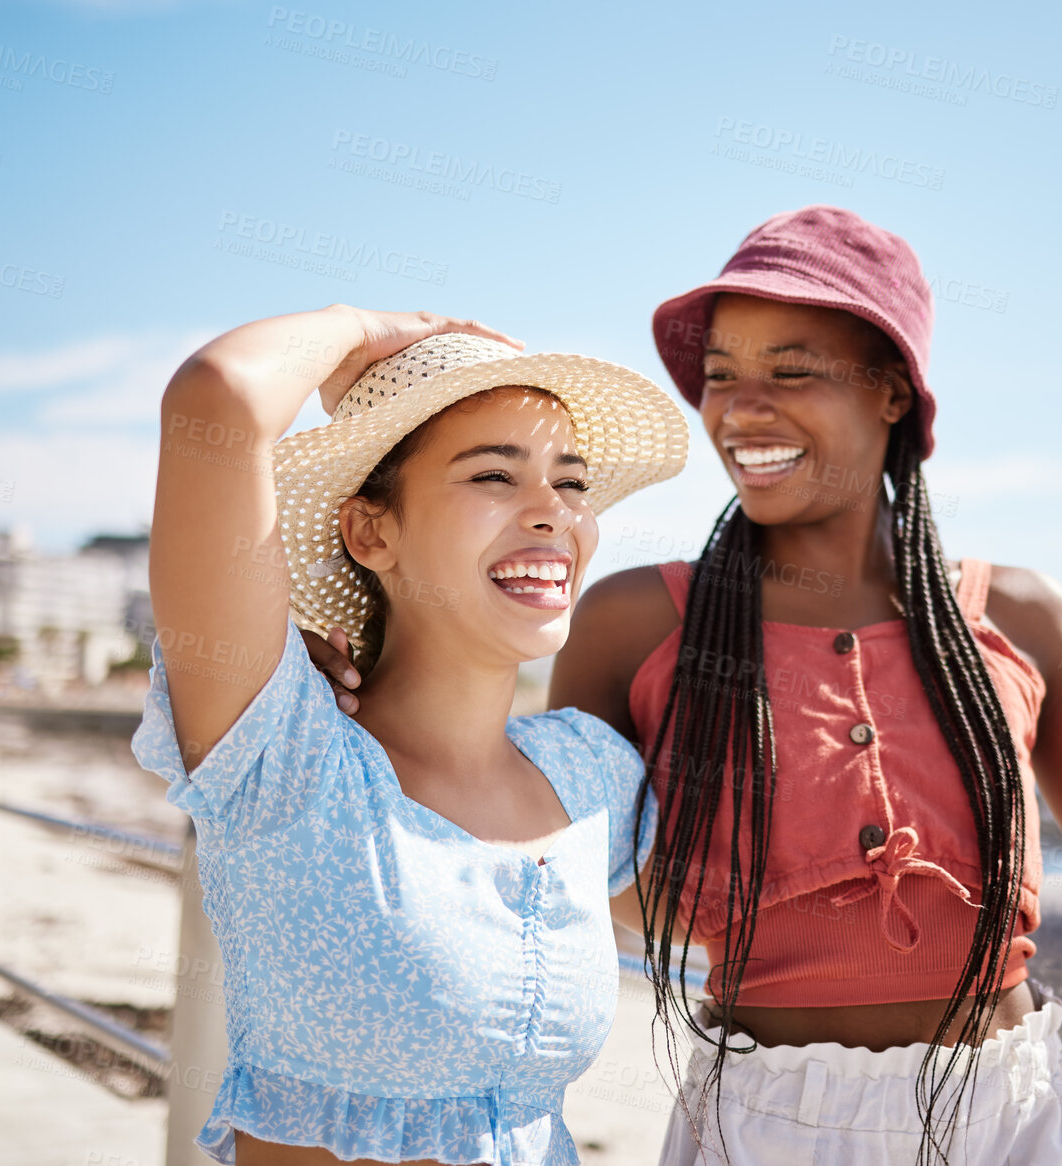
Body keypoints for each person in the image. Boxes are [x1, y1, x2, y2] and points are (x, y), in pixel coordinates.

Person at [306, 208, 1062, 1166]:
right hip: (756, 1124)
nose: (743, 406)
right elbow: (572, 877)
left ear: (893, 389)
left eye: (793, 367)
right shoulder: (635, 621)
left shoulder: (1021, 618)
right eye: (722, 371)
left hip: (1008, 1119)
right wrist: (373, 701)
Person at [132, 305, 687, 1165]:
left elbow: (742, 923)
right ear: (370, 531)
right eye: (495, 477)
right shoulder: (287, 757)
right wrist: (362, 329)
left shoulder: (590, 774)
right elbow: (220, 399)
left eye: (570, 482)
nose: (553, 513)